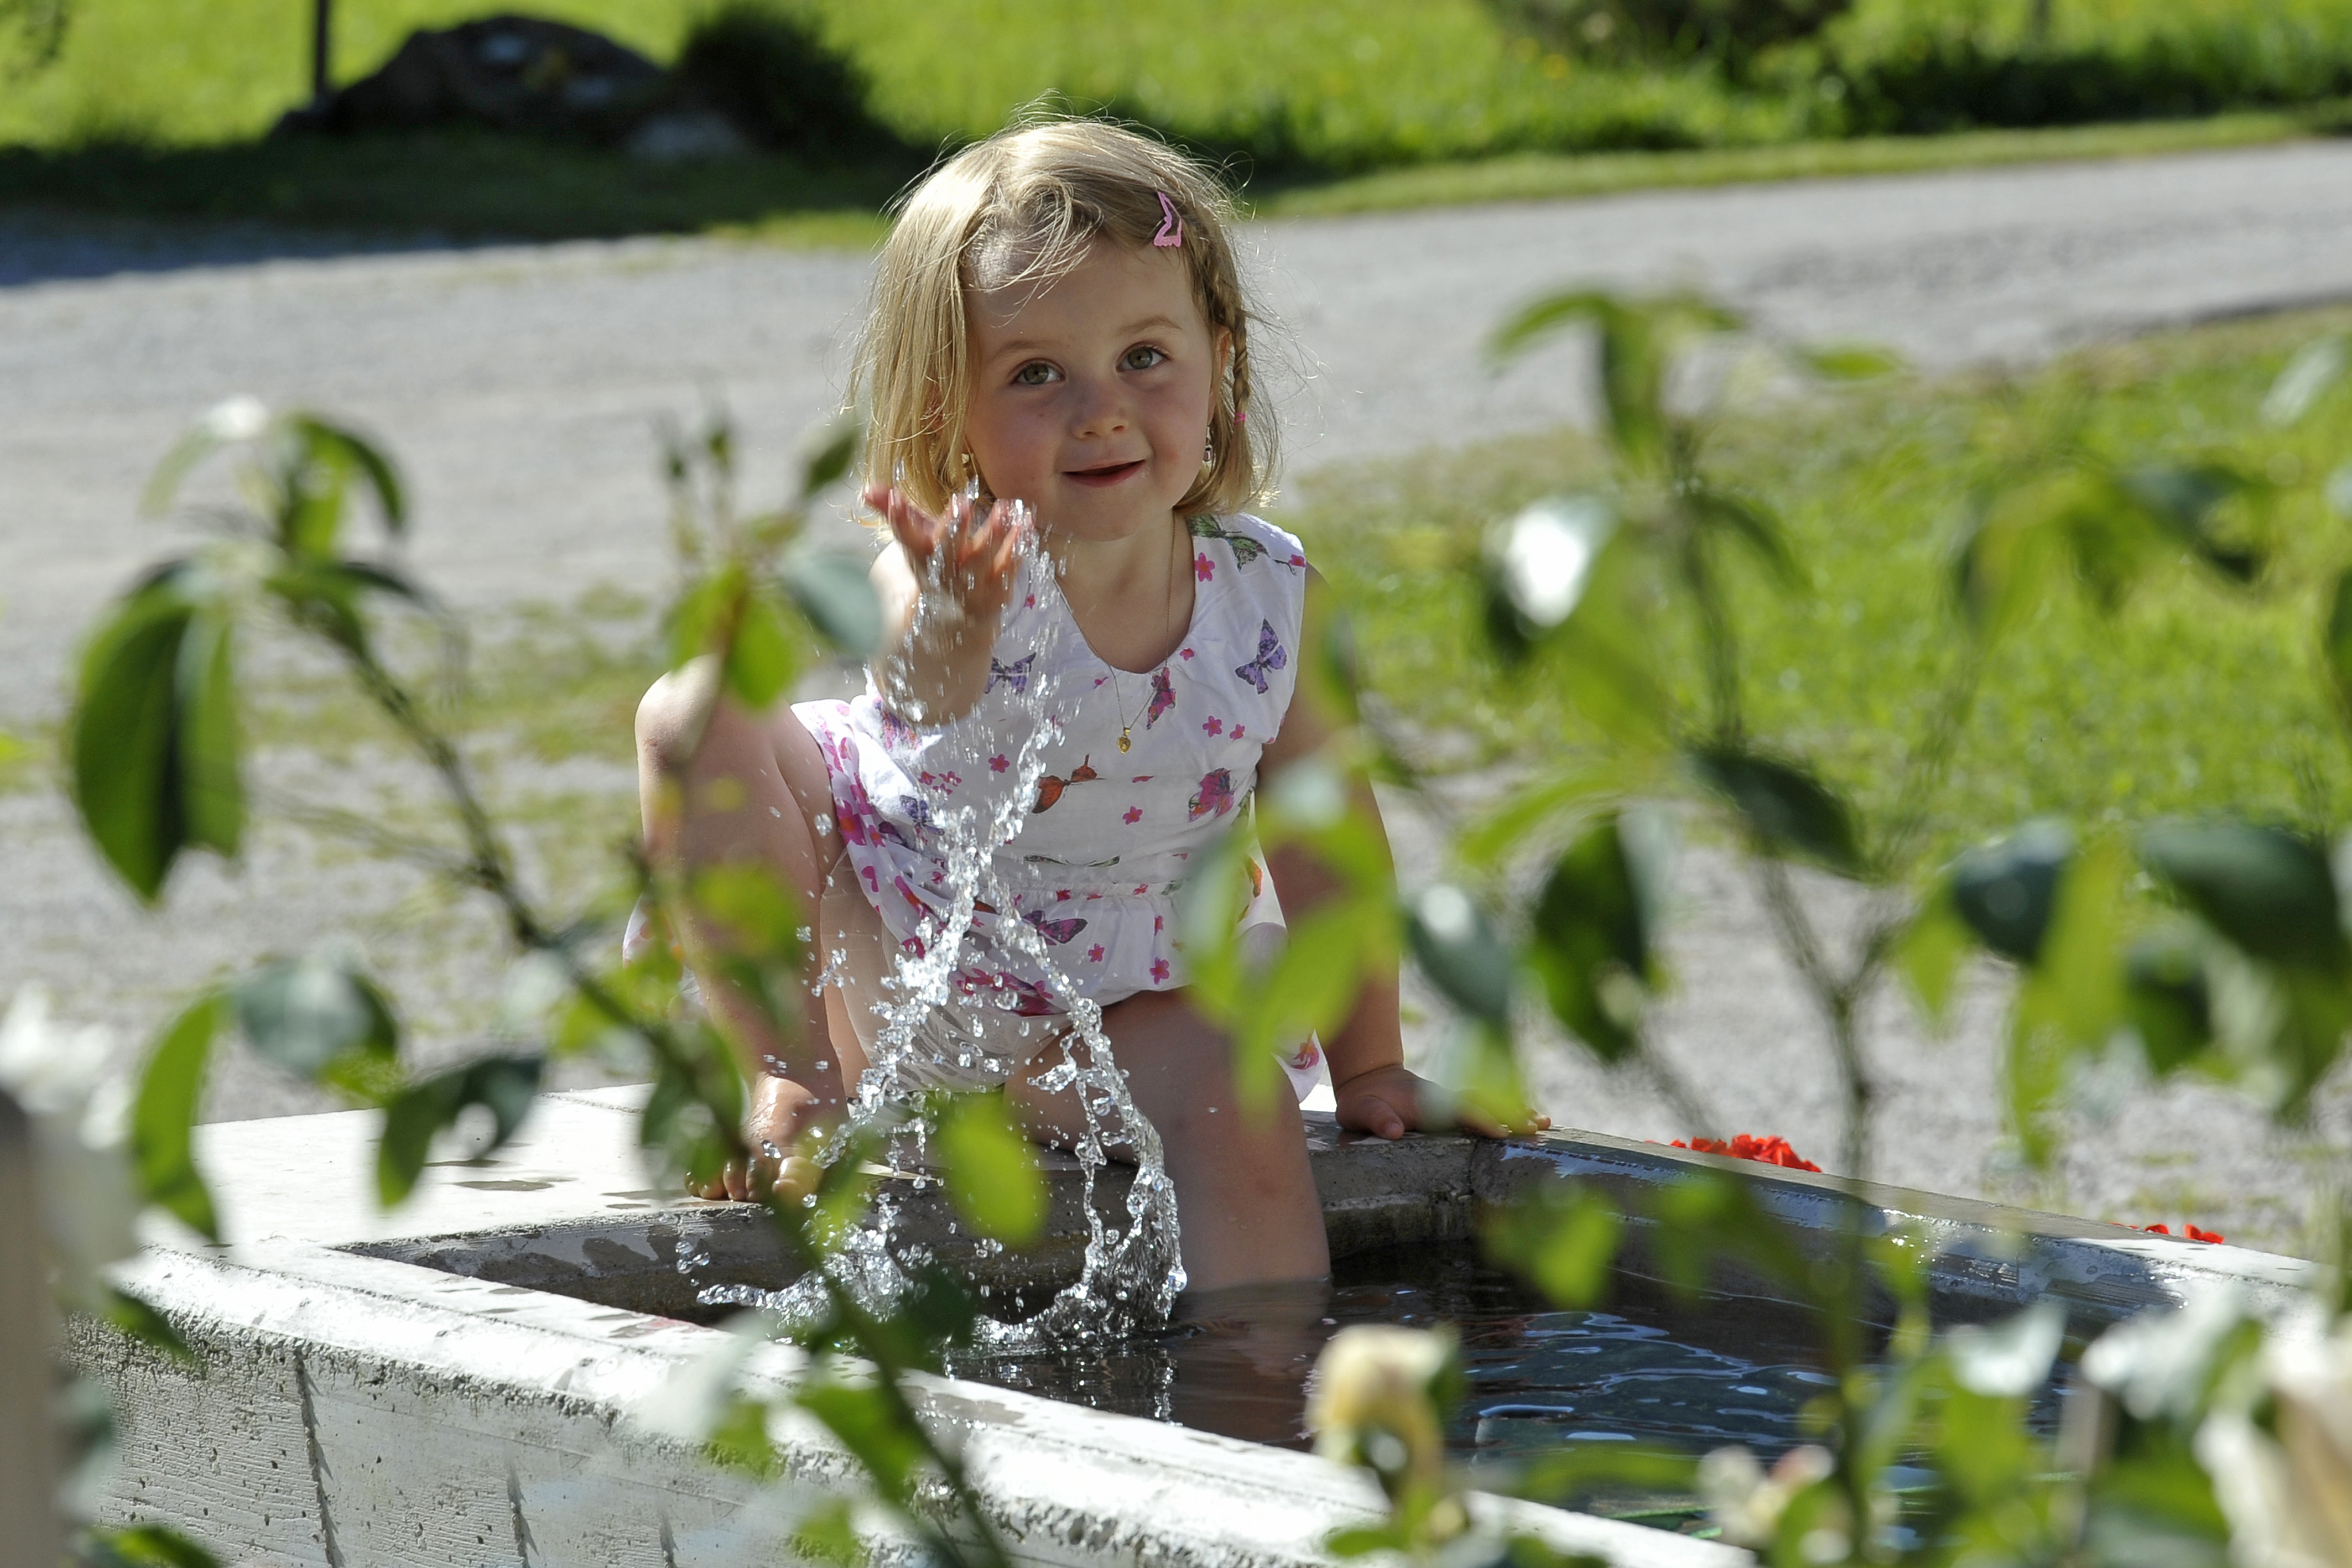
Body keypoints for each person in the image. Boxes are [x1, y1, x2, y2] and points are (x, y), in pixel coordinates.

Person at [635, 118, 1542, 1293]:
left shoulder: (1267, 598)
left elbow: (1331, 843)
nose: (1101, 409)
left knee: (1239, 1096)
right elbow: (919, 693)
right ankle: (789, 1081)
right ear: (945, 410)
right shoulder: (947, 568)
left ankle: (1262, 1369)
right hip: (893, 975)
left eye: (1145, 357)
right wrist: (957, 620)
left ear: (1220, 362)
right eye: (1035, 374)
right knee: (696, 709)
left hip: (1120, 1018)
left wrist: (1371, 1065)